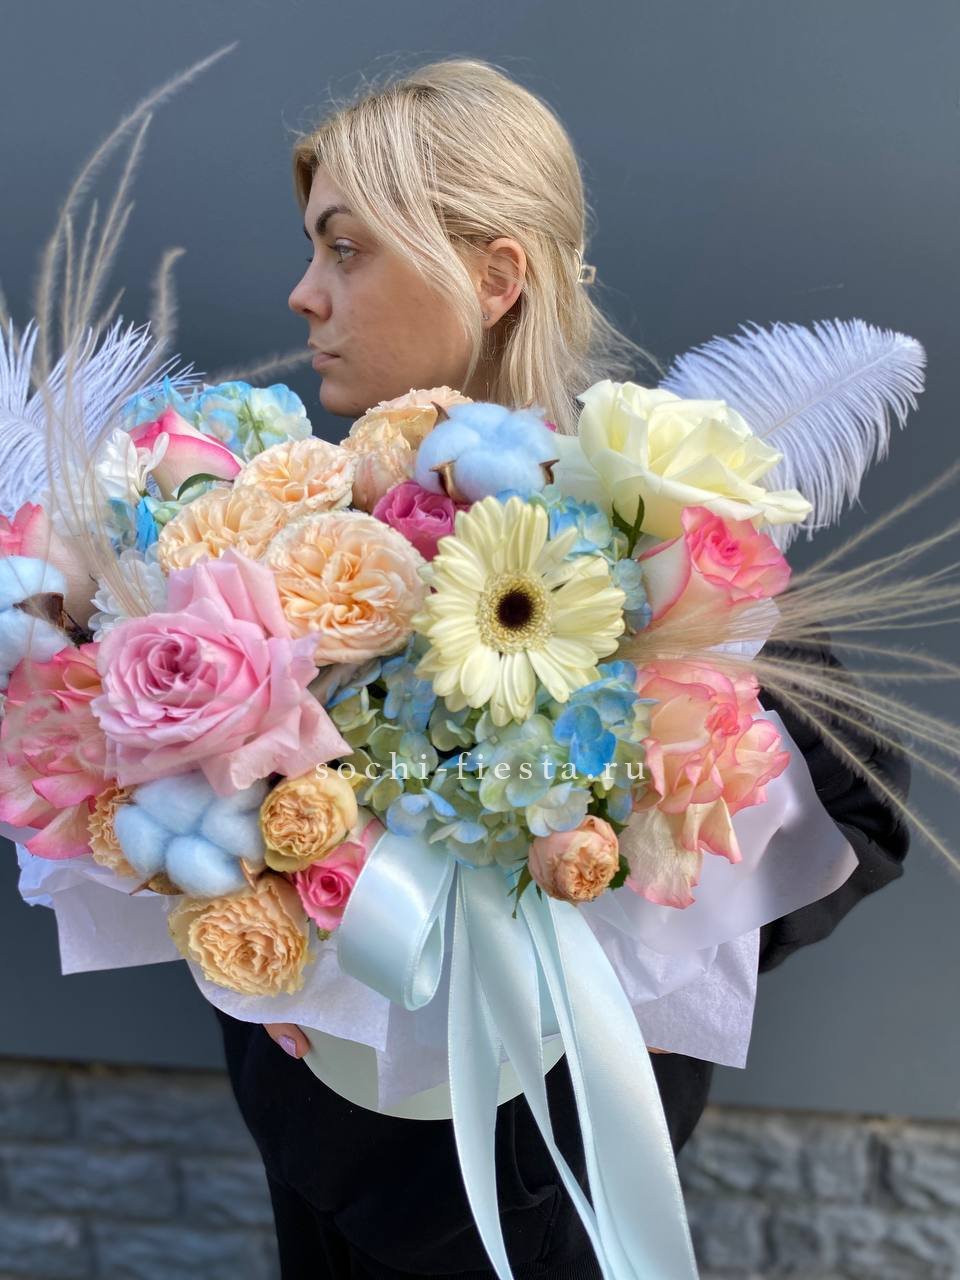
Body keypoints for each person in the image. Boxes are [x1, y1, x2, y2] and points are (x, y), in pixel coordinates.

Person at [214, 58, 911, 1279]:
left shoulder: (646, 547)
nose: (304, 293)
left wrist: (625, 958)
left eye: (347, 249)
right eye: (314, 249)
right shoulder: (307, 533)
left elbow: (865, 805)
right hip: (319, 1145)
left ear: (495, 277)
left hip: (536, 1178)